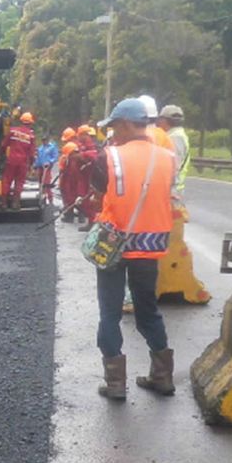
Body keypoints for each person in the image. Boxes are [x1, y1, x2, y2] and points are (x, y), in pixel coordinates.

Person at [90, 97, 177, 400]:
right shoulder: (168, 158)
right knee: (148, 311)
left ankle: (115, 384)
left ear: (127, 124)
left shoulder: (109, 157)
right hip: (150, 247)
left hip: (113, 245)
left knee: (110, 313)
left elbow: (99, 191)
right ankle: (162, 377)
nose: (112, 133)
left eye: (114, 126)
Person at [0, 111, 36, 209]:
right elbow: (32, 154)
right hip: (23, 163)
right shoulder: (31, 136)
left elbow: (3, 145)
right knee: (19, 182)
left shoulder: (13, 131)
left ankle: (3, 203)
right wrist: (31, 165)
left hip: (11, 161)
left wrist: (0, 155)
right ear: (31, 123)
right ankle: (16, 203)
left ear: (21, 121)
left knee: (6, 181)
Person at [156, 105, 191, 201]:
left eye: (160, 119)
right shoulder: (177, 135)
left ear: (165, 120)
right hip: (173, 189)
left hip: (172, 191)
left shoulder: (175, 138)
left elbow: (174, 166)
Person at [73, 124, 100, 230]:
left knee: (88, 200)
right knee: (83, 199)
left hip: (88, 177)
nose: (78, 137)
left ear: (83, 134)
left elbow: (94, 156)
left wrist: (82, 156)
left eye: (79, 135)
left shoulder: (90, 145)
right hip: (82, 176)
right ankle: (90, 220)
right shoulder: (81, 144)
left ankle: (92, 222)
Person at [58, 140, 80, 221]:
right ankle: (81, 215)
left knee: (69, 197)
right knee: (77, 197)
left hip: (69, 181)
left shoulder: (67, 159)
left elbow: (62, 170)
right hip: (77, 181)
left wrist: (61, 183)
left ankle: (69, 216)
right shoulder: (79, 157)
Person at [35, 136, 59, 203]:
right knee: (40, 182)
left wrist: (50, 162)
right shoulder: (40, 148)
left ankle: (50, 198)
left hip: (47, 167)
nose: (44, 141)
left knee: (46, 183)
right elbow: (38, 158)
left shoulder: (52, 147)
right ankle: (42, 196)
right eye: (43, 140)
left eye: (45, 140)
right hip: (40, 167)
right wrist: (36, 165)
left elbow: (55, 156)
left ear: (48, 140)